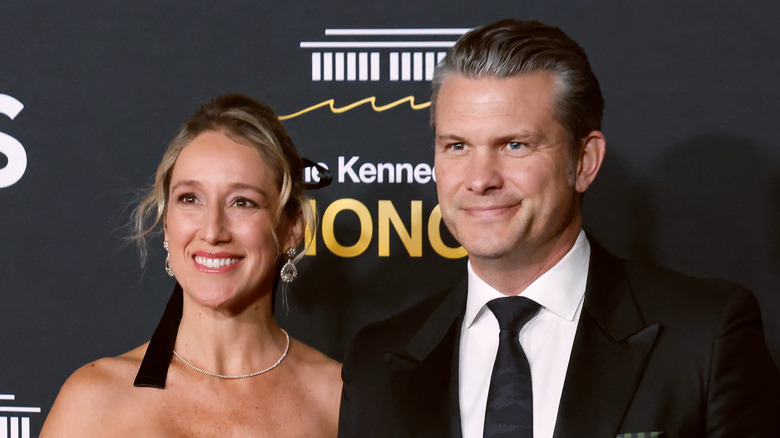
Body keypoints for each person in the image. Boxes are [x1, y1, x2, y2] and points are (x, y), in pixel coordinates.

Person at [338, 19, 780, 437]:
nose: (480, 179)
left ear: (583, 161)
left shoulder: (703, 336)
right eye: (457, 146)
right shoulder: (376, 358)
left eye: (514, 145)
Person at [41, 93, 341, 437]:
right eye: (190, 199)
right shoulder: (95, 401)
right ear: (166, 223)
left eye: (242, 202)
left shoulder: (338, 399)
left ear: (291, 229)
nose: (213, 230)